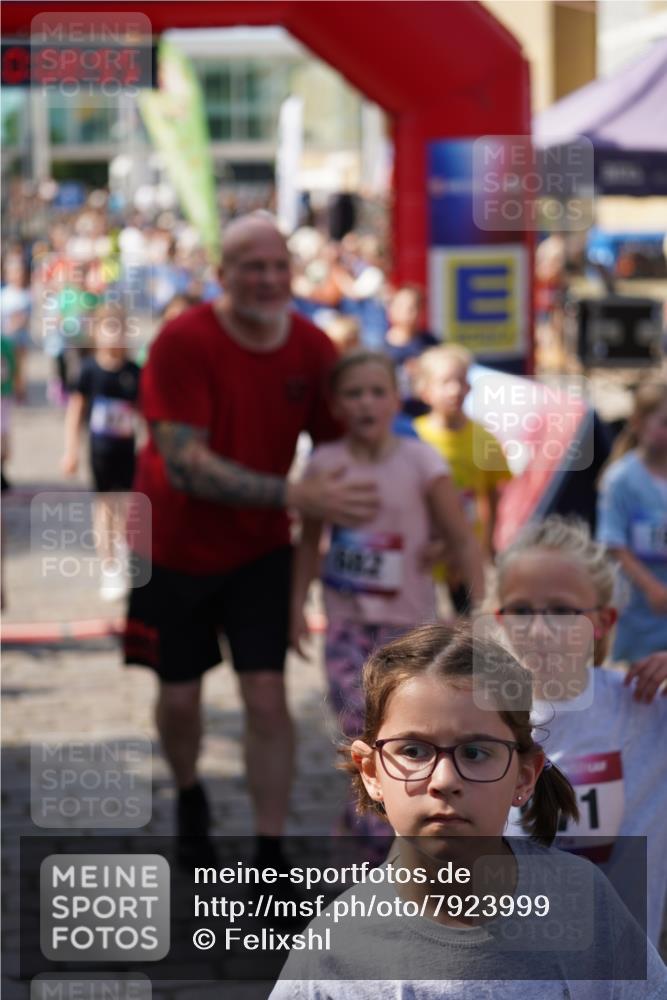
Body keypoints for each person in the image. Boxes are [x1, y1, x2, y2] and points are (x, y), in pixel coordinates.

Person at [123, 214, 380, 861]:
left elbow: (342, 453)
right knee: (179, 699)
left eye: (277, 267)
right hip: (170, 548)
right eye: (250, 267)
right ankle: (189, 793)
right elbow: (185, 463)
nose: (267, 280)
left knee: (266, 697)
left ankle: (268, 849)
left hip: (261, 550)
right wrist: (294, 494)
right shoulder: (181, 341)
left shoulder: (313, 346)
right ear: (221, 277)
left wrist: (418, 514)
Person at [270, 623, 666, 997]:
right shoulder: (335, 950)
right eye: (414, 751)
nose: (444, 780)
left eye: (476, 752)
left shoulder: (585, 901)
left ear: (525, 775)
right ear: (372, 771)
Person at [290, 351, 485, 834]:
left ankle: (385, 821)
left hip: (410, 628)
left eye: (377, 392)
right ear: (336, 406)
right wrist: (295, 606)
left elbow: (462, 538)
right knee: (358, 722)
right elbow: (309, 542)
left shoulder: (422, 460)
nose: (366, 403)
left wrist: (481, 614)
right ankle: (374, 817)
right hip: (346, 623)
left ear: (397, 400)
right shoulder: (324, 462)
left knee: (405, 728)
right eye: (353, 394)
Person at [489, 516, 667, 945]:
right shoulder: (476, 718)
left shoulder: (649, 710)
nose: (539, 629)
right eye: (521, 610)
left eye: (562, 611)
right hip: (508, 966)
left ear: (603, 621)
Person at [414, 345, 511, 613]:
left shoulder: (485, 438)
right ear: (424, 390)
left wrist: (486, 544)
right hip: (425, 552)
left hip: (468, 551)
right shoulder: (413, 438)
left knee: (466, 626)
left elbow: (492, 495)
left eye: (462, 381)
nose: (455, 390)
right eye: (446, 382)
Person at [62, 303, 141, 600]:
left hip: (127, 451)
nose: (113, 335)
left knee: (127, 507)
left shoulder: (133, 372)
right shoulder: (88, 371)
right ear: (96, 333)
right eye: (107, 328)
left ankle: (122, 553)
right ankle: (108, 565)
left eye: (118, 328)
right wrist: (70, 451)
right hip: (100, 452)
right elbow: (75, 413)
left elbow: (144, 413)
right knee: (105, 508)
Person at [596, 380, 667, 660]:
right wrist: (653, 588)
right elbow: (613, 542)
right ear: (638, 424)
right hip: (638, 608)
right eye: (663, 423)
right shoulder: (621, 479)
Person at [382, 284, 438, 416]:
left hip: (423, 411)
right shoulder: (377, 346)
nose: (407, 312)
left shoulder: (430, 343)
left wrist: (422, 371)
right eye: (401, 306)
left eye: (412, 308)